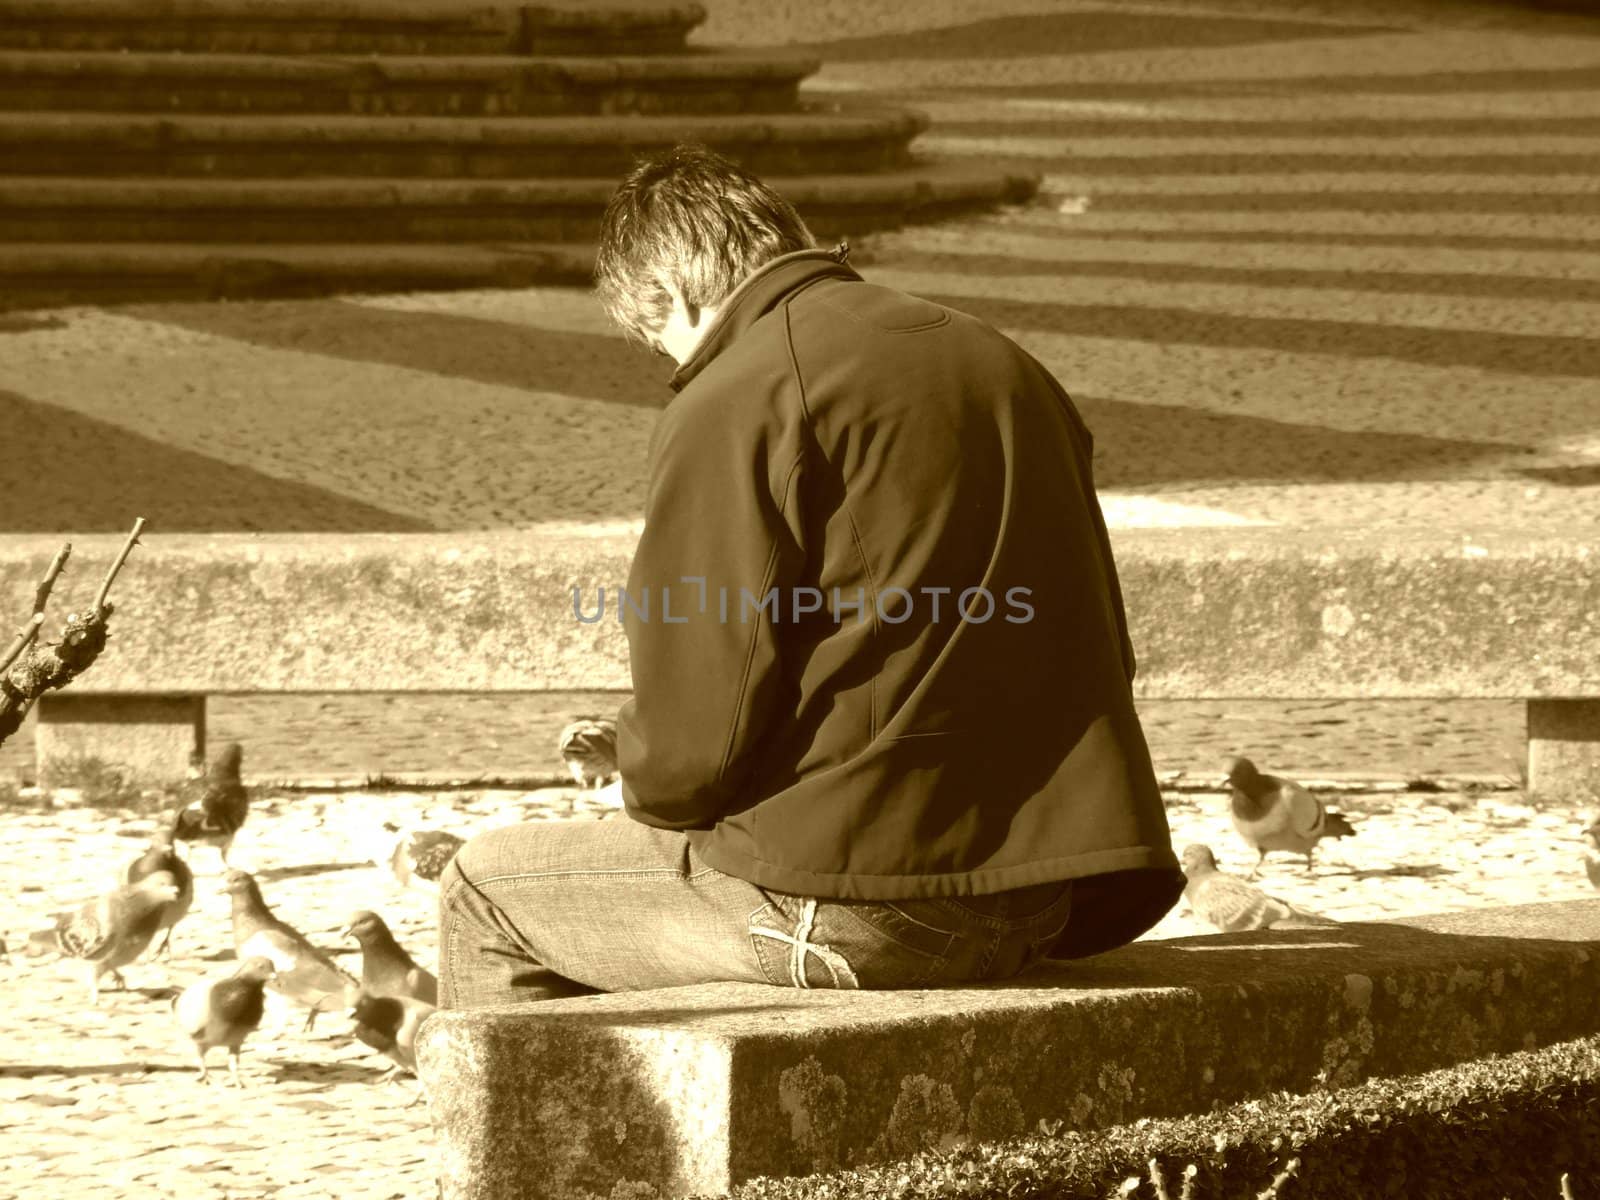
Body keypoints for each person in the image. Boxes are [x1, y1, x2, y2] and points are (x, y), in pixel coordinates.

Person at [436, 143, 1183, 1008]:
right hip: (1052, 892)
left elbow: (691, 748)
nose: (676, 369)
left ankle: (564, 1148)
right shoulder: (1001, 360)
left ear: (673, 293)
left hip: (862, 901)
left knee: (484, 888)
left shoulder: (740, 391)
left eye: (661, 345)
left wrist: (644, 774)